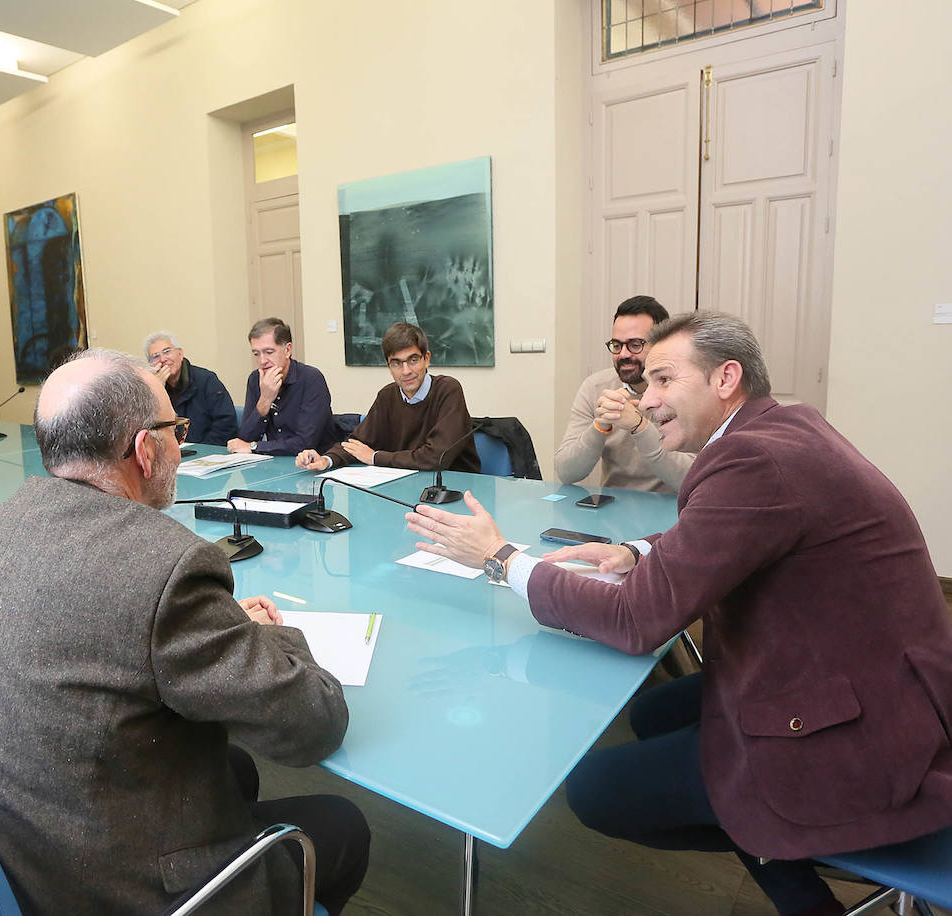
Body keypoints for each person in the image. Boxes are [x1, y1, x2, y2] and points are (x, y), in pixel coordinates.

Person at [406, 312, 952, 916]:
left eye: (664, 380)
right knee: (656, 710)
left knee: (595, 792)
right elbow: (732, 532)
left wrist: (501, 559)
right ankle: (773, 846)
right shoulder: (781, 427)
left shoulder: (753, 462)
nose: (648, 397)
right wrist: (636, 549)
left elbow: (636, 622)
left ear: (726, 378)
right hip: (881, 679)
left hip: (861, 730)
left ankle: (789, 866)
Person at [0, 349, 369, 915]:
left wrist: (221, 627)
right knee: (342, 825)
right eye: (176, 430)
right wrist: (277, 639)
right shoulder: (167, 565)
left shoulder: (4, 520)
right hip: (97, 886)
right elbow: (314, 725)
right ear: (144, 450)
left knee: (235, 769)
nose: (181, 446)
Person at [296, 322, 478, 473]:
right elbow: (358, 443)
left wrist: (375, 457)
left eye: (413, 360)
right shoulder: (387, 396)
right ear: (389, 367)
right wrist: (326, 459)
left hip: (454, 487)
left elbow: (436, 457)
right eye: (397, 363)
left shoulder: (448, 390)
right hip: (406, 483)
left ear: (426, 359)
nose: (406, 371)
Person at [554, 295, 694, 492]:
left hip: (673, 510)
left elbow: (693, 477)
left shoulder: (686, 390)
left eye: (635, 344)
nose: (624, 354)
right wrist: (600, 425)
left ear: (662, 344)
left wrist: (640, 427)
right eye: (617, 345)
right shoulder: (596, 387)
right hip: (612, 510)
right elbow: (566, 472)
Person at [227, 317, 339, 456]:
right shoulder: (255, 379)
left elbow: (305, 443)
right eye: (256, 354)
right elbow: (244, 439)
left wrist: (255, 447)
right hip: (273, 463)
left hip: (314, 463)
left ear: (287, 350)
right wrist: (265, 400)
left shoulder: (311, 378)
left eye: (269, 352)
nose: (262, 361)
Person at [143, 330, 238, 446]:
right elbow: (148, 429)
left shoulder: (206, 380)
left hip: (207, 450)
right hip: (170, 454)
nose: (163, 359)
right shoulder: (150, 389)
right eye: (155, 356)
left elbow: (226, 424)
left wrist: (202, 450)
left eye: (167, 352)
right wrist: (158, 392)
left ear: (180, 354)